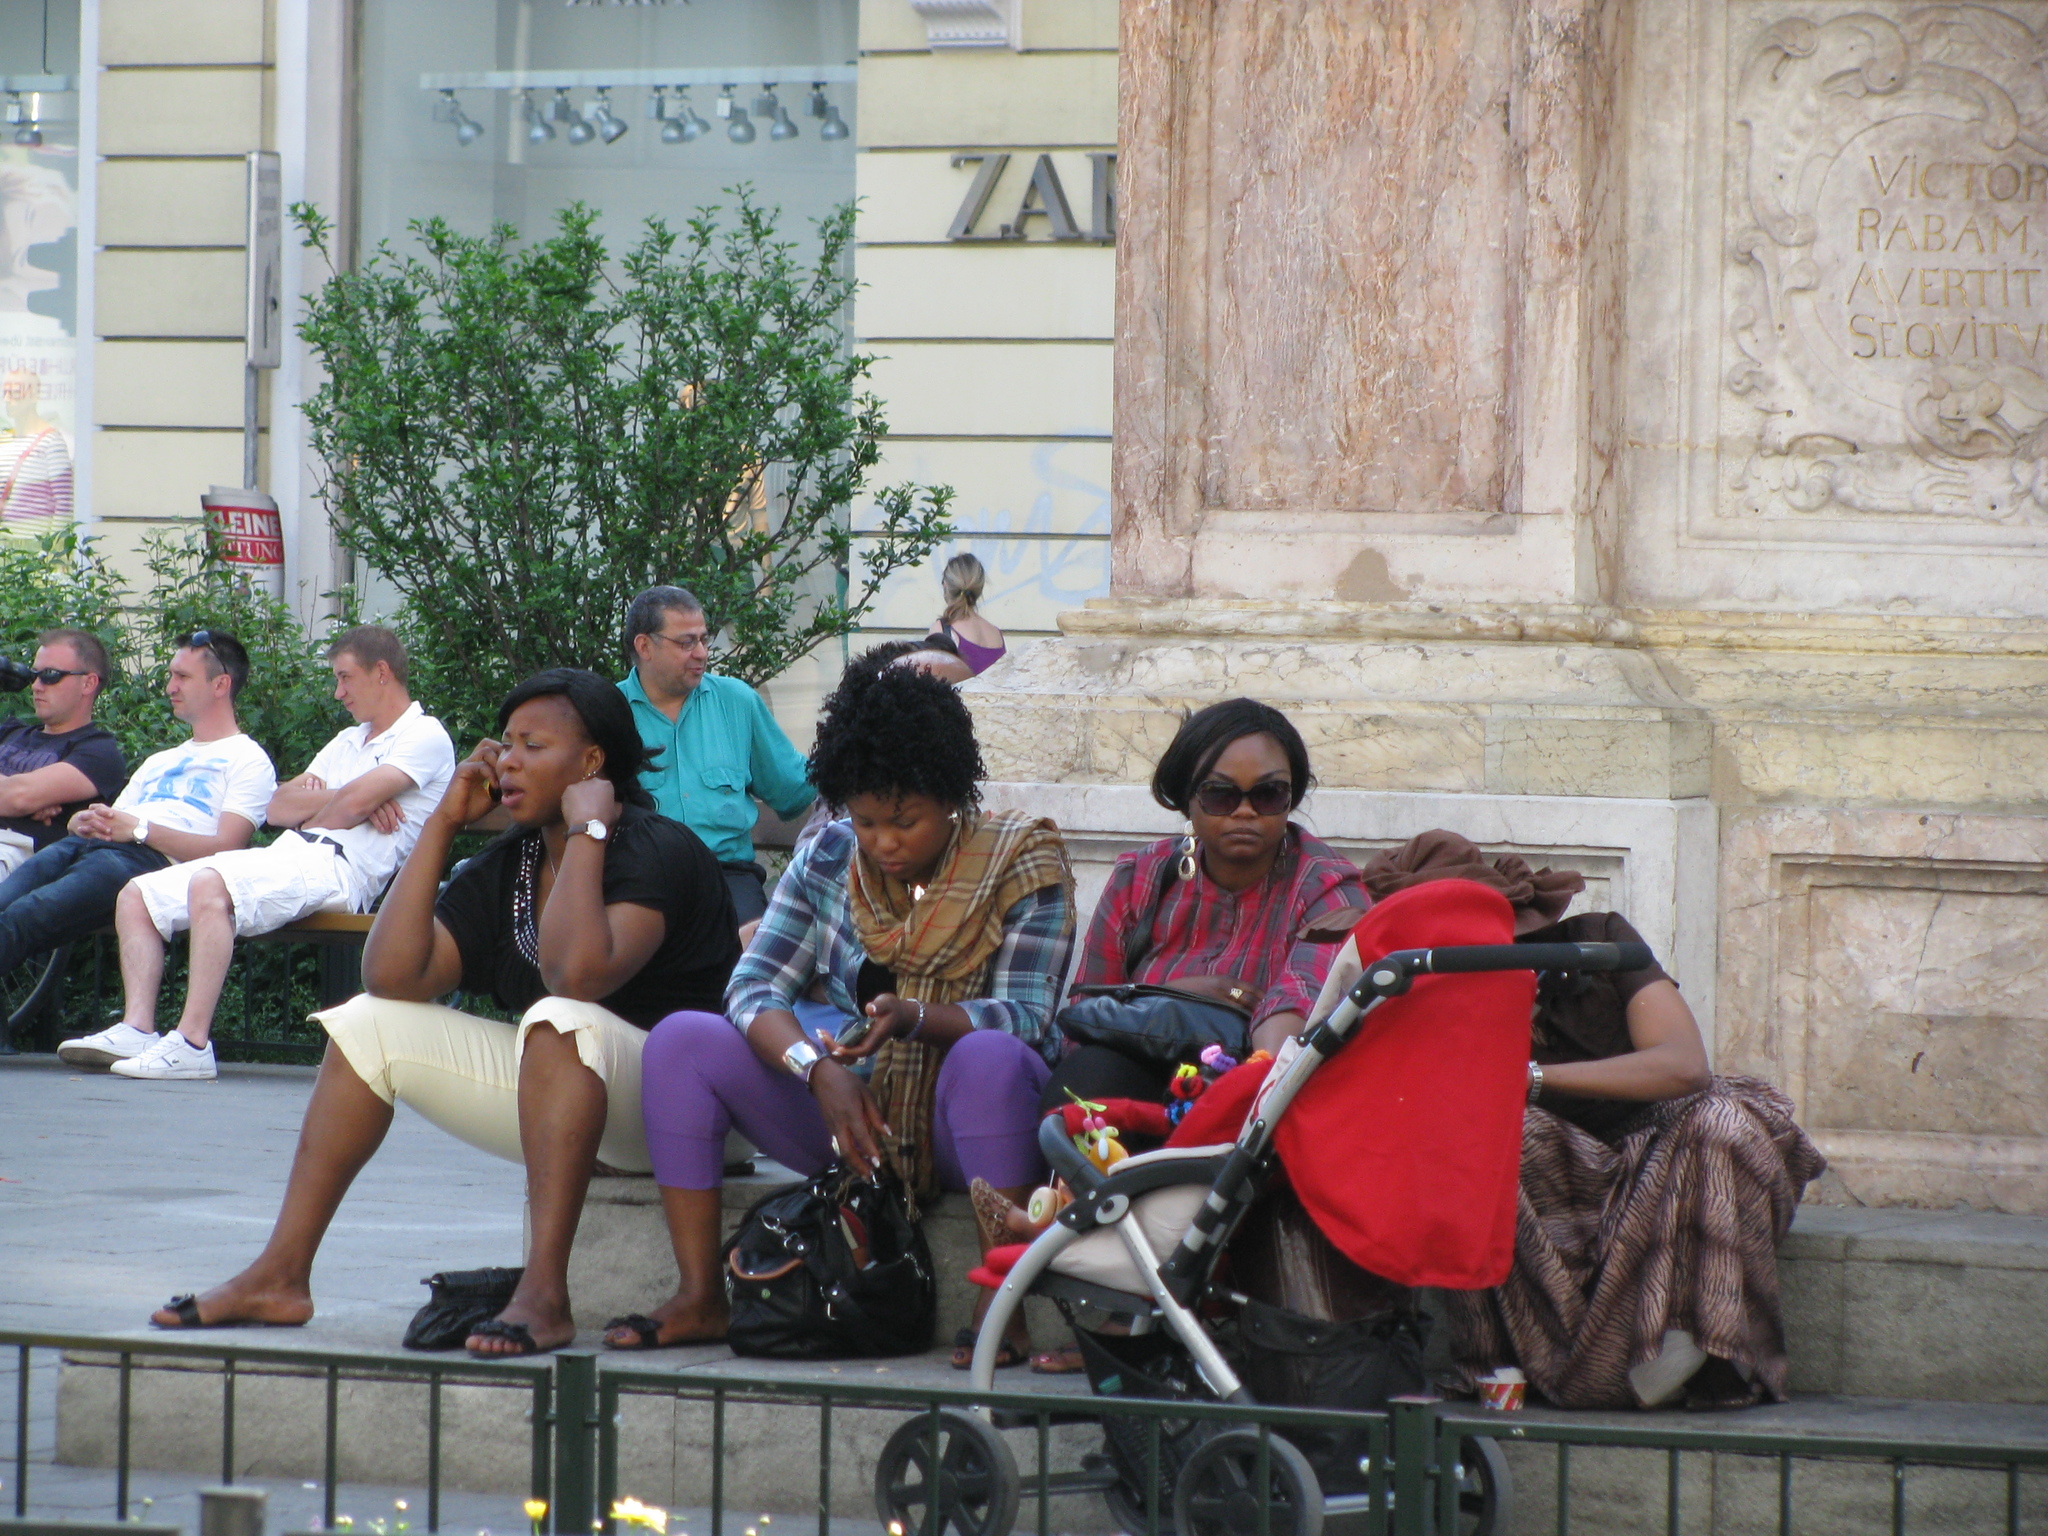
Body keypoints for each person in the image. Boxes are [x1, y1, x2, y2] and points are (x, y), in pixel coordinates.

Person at [150, 669, 741, 1356]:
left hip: (690, 1119)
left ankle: (545, 1293)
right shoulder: (511, 864)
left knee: (558, 1017)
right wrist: (443, 822)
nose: (508, 759)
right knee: (369, 1022)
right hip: (573, 1100)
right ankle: (281, 1274)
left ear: (591, 764)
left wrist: (589, 833)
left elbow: (577, 974)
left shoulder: (656, 850)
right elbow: (396, 973)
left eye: (533, 745)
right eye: (506, 743)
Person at [617, 653, 1075, 1370]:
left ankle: (1001, 1301)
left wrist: (919, 1019)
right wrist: (817, 1069)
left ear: (952, 799)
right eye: (865, 820)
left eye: (905, 821)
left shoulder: (1020, 861)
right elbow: (753, 988)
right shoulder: (827, 857)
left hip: (971, 1124)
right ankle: (701, 1292)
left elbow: (1028, 1018)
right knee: (682, 1039)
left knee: (990, 1056)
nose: (883, 843)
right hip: (852, 1117)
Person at [1359, 830, 1826, 1410]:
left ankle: (1698, 1336)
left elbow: (1683, 1066)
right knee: (1496, 1139)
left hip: (1665, 1137)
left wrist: (1530, 1079)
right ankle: (1602, 1365)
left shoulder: (1597, 941)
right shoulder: (1412, 991)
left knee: (1722, 1122)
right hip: (1548, 1175)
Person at [64, 627, 455, 1082]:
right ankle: (137, 1028)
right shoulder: (350, 741)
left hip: (342, 872)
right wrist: (357, 798)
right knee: (137, 894)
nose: (338, 692)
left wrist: (341, 803)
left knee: (209, 885)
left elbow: (338, 807)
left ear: (382, 672)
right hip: (290, 851)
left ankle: (191, 1044)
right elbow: (278, 806)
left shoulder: (424, 735)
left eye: (345, 678)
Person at [1042, 697, 1369, 1108]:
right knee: (1086, 1076)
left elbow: (1301, 1003)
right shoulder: (1139, 877)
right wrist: (1177, 994)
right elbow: (1086, 1016)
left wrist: (1258, 1084)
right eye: (1220, 795)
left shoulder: (1328, 885)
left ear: (1291, 798)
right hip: (1129, 1077)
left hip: (1252, 1093)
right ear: (1188, 800)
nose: (1245, 812)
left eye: (1268, 795)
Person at [0, 630, 275, 1055]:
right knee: (5, 903)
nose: (170, 687)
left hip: (145, 861)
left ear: (221, 685)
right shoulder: (160, 760)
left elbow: (227, 849)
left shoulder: (249, 759)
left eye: (182, 676)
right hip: (90, 848)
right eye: (171, 676)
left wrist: (140, 830)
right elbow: (110, 820)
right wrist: (83, 820)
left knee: (26, 916)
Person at [617, 586, 814, 926]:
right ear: (644, 646)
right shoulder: (609, 710)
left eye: (704, 640)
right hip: (639, 878)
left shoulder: (736, 702)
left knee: (751, 959)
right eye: (686, 642)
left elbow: (793, 791)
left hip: (725, 877)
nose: (702, 653)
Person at [0, 628, 125, 882]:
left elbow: (18, 797)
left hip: (15, 858)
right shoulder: (10, 731)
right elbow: (15, 795)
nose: (36, 686)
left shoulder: (98, 751)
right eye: (35, 675)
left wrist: (18, 797)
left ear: (88, 683)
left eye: (50, 676)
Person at [0, 368, 73, 533]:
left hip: (35, 546)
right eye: (5, 393)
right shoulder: (4, 441)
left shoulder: (51, 442)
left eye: (15, 393)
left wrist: (52, 550)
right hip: (5, 546)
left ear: (33, 397)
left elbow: (64, 503)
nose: (7, 399)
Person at [926, 552, 1006, 675]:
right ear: (979, 588)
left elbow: (931, 682)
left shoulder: (941, 630)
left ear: (945, 585)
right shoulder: (996, 634)